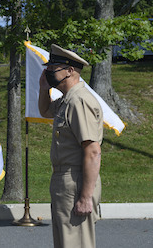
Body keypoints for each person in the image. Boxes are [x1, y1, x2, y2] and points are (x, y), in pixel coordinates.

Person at [38, 44, 103, 248]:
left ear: (70, 70)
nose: (48, 71)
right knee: (67, 242)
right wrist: (43, 87)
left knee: (76, 243)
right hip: (65, 180)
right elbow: (45, 111)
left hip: (76, 181)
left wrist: (85, 197)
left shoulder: (79, 101)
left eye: (53, 68)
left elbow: (92, 151)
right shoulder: (68, 99)